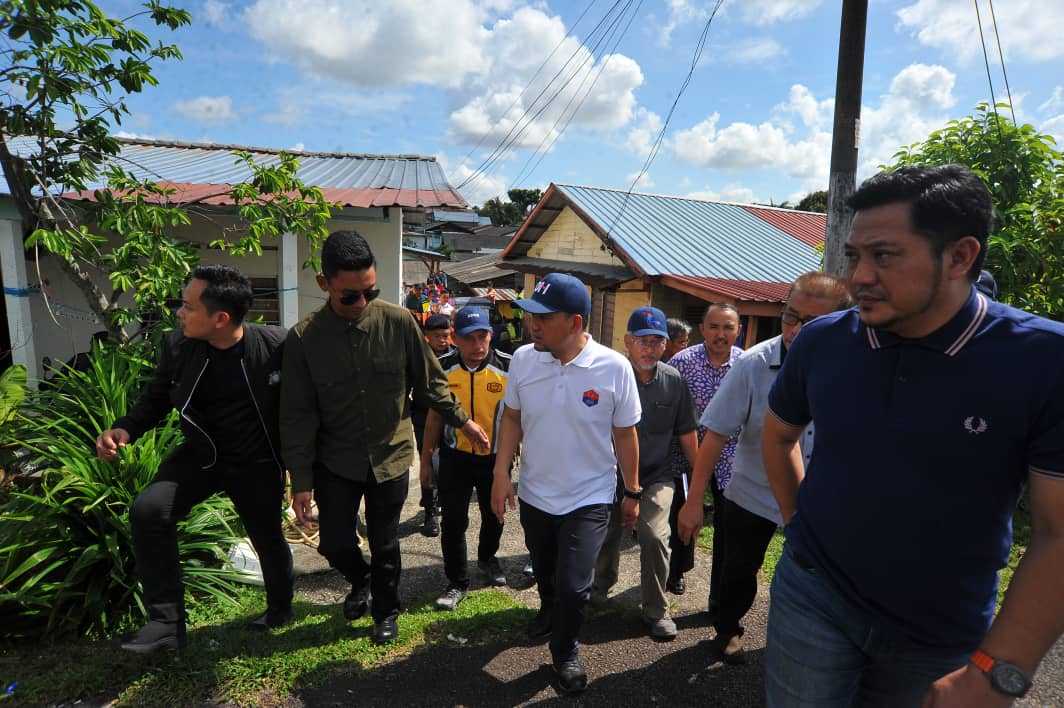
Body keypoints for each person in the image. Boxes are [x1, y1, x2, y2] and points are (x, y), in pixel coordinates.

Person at [761, 165, 1064, 706]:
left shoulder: (1043, 361)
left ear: (960, 256)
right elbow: (778, 435)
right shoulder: (822, 343)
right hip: (813, 599)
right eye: (854, 256)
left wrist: (996, 672)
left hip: (941, 628)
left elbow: (1057, 532)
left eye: (884, 256)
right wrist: (799, 529)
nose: (858, 278)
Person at [281, 230, 488, 645]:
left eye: (369, 292)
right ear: (324, 284)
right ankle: (361, 577)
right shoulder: (304, 339)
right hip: (335, 460)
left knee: (385, 540)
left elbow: (431, 383)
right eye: (350, 296)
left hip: (390, 456)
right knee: (336, 542)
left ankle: (386, 610)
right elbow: (297, 415)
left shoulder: (398, 323)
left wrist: (463, 421)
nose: (362, 303)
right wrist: (301, 481)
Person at [95, 265, 293, 653]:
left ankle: (280, 608)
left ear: (220, 319)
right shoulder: (178, 348)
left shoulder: (277, 346)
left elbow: (309, 406)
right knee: (149, 510)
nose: (179, 314)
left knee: (267, 537)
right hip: (202, 457)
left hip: (257, 462)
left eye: (187, 307)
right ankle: (166, 624)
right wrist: (124, 429)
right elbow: (156, 398)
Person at [676, 271, 852, 664]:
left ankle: (804, 642)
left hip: (818, 498)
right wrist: (693, 501)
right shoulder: (754, 364)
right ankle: (728, 628)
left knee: (814, 574)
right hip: (752, 492)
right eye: (791, 317)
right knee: (739, 568)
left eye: (812, 322)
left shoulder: (853, 367)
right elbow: (716, 434)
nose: (796, 330)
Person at [491, 272, 641, 695]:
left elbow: (625, 433)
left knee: (576, 585)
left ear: (574, 323)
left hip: (589, 496)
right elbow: (513, 418)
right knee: (546, 571)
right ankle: (547, 611)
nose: (532, 324)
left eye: (543, 317)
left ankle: (566, 650)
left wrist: (631, 491)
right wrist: (501, 474)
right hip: (536, 492)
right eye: (530, 316)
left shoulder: (614, 367)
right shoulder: (523, 359)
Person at [593, 306, 697, 641]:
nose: (649, 348)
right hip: (610, 473)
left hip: (657, 474)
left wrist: (698, 480)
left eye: (657, 341)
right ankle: (600, 586)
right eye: (642, 340)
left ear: (666, 345)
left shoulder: (673, 380)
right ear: (627, 341)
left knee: (653, 536)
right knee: (604, 533)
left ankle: (656, 609)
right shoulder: (610, 374)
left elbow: (686, 432)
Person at [422, 307, 512, 611]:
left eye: (482, 336)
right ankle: (457, 582)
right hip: (455, 458)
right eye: (468, 338)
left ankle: (488, 558)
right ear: (455, 339)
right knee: (454, 522)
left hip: (495, 460)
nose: (477, 345)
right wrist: (425, 460)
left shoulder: (508, 367)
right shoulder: (442, 367)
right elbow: (434, 417)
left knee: (494, 515)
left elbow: (520, 417)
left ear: (491, 335)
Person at [665, 303, 742, 607]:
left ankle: (718, 596)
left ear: (738, 330)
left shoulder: (747, 364)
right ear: (702, 329)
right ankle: (678, 569)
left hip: (731, 459)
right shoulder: (682, 362)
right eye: (714, 326)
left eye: (728, 327)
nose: (720, 334)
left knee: (727, 527)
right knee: (682, 517)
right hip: (686, 454)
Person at [412, 313, 456, 537]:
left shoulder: (456, 356)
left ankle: (439, 499)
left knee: (446, 462)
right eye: (437, 336)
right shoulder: (417, 357)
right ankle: (430, 511)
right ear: (426, 335)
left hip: (450, 418)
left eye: (446, 335)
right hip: (422, 416)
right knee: (428, 460)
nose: (442, 340)